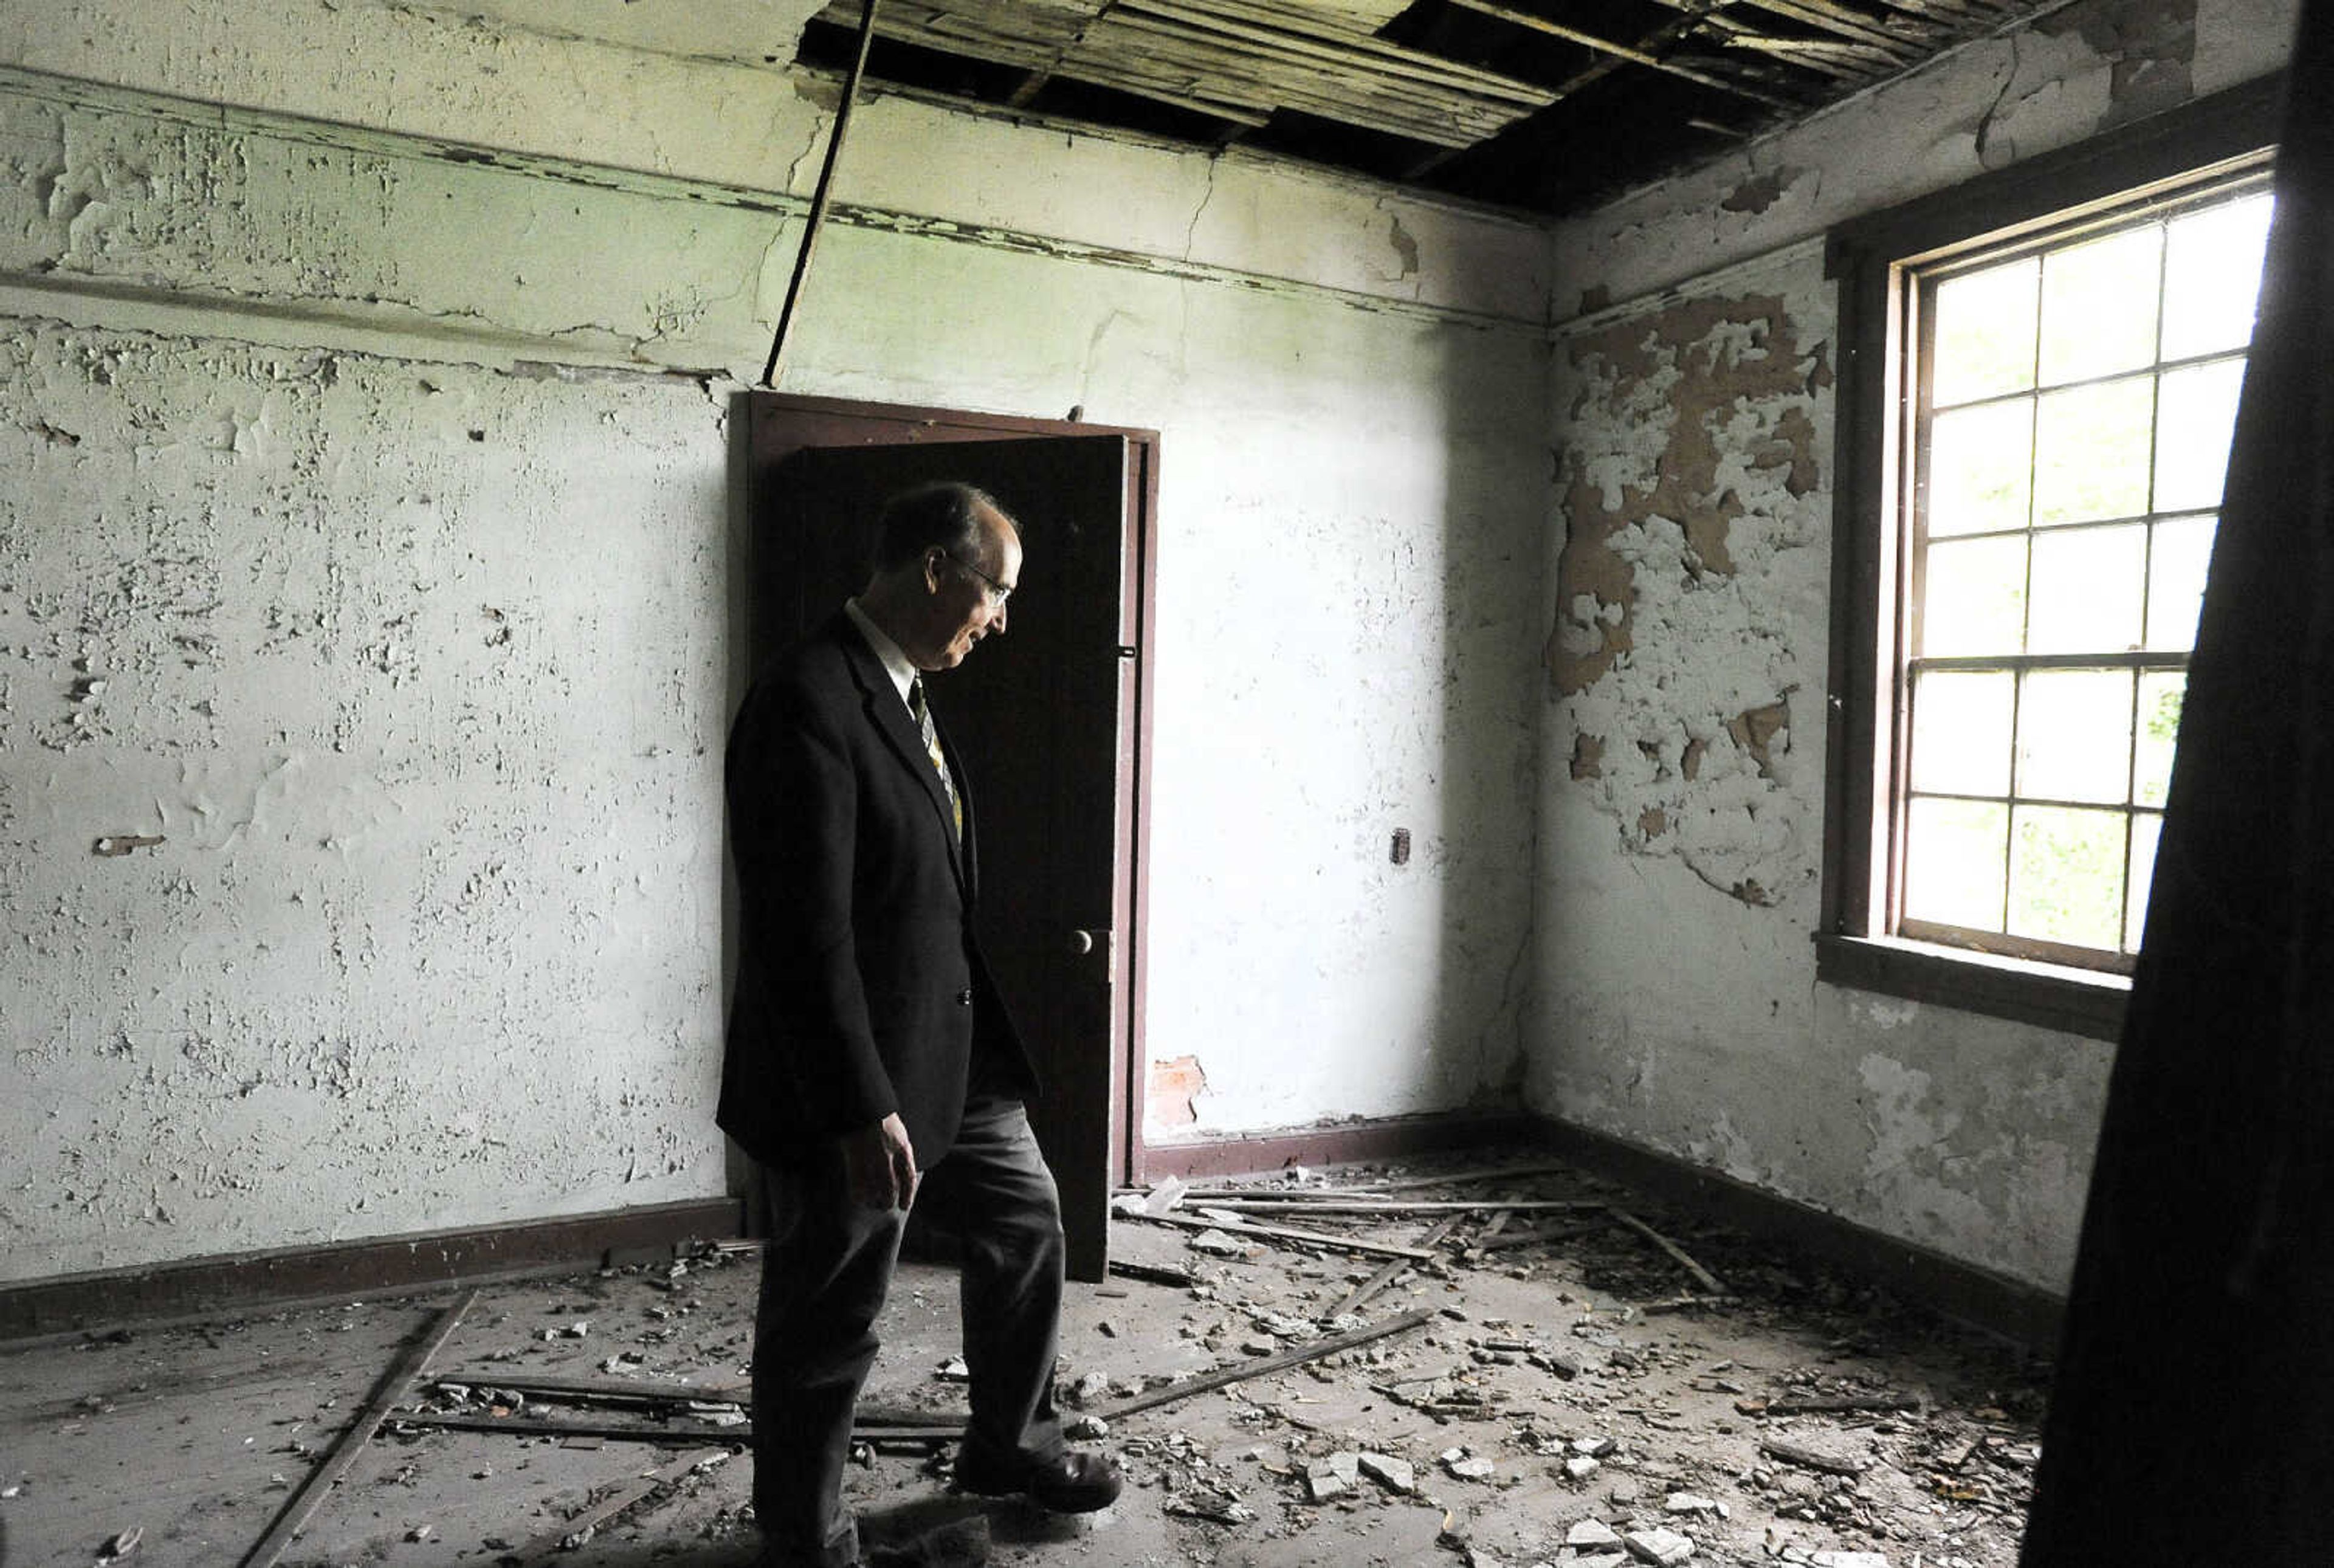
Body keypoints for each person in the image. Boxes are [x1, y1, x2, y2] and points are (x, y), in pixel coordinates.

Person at [718, 481, 1121, 1568]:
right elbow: (802, 939)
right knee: (831, 1314)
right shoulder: (808, 697)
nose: (1002, 617)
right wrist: (859, 1106)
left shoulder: (904, 692)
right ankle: (805, 1540)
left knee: (1030, 1224)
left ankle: (1007, 1445)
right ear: (936, 569)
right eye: (995, 590)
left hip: (947, 1056)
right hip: (847, 1082)